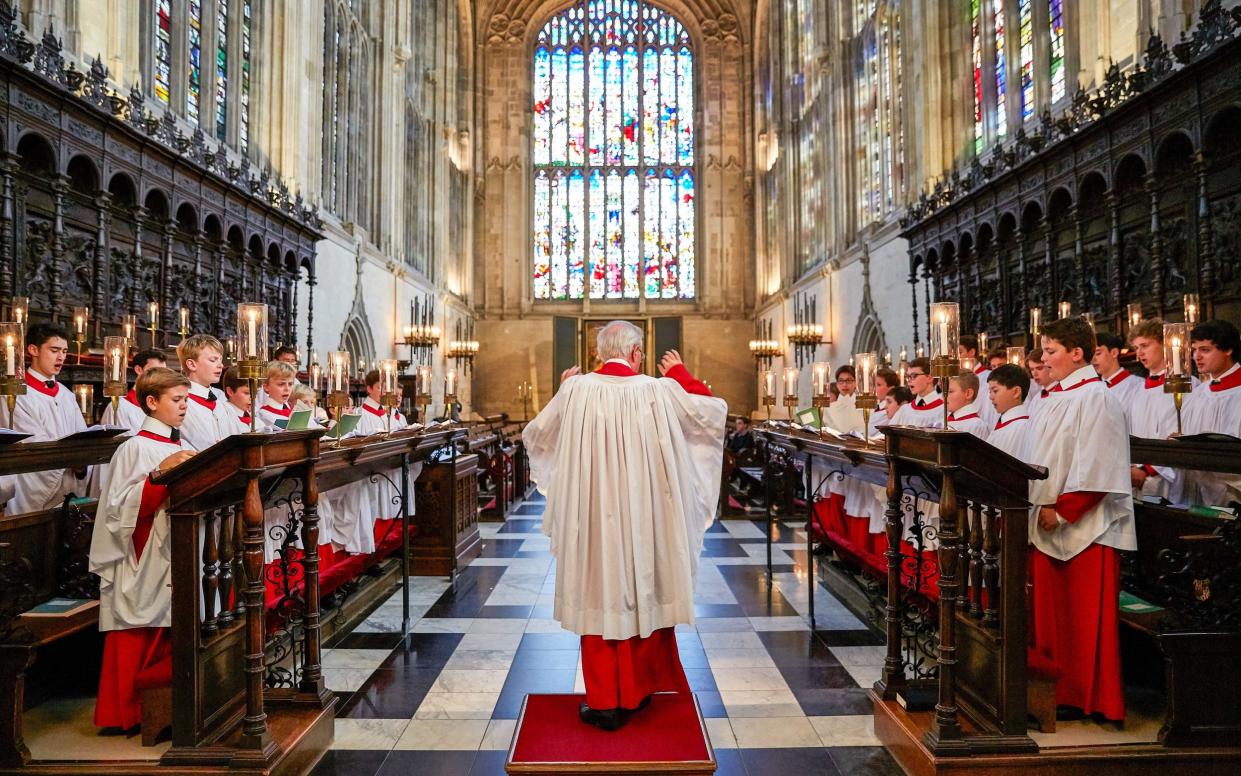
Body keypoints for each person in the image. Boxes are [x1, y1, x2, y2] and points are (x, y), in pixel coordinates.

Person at [523, 321, 726, 731]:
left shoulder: (576, 390)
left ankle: (603, 703)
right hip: (643, 519)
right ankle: (636, 694)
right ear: (636, 354)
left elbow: (537, 436)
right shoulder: (658, 390)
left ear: (599, 354)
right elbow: (711, 414)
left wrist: (564, 390)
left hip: (592, 518)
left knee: (597, 591)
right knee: (639, 587)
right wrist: (680, 374)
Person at [1027, 317, 1133, 723]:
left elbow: (1099, 463)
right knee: (1056, 616)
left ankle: (1091, 698)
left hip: (1085, 526)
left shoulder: (1096, 398)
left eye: (1051, 351)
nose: (1045, 359)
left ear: (1076, 353)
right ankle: (1059, 691)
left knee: (1084, 620)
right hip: (1048, 516)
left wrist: (1064, 507)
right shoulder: (1056, 396)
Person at [88, 367, 196, 730]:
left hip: (171, 548)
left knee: (169, 623)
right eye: (176, 400)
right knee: (137, 627)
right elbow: (119, 508)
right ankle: (124, 713)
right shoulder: (133, 447)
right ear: (151, 402)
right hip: (141, 553)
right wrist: (158, 477)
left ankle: (161, 713)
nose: (184, 407)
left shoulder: (180, 446)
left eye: (186, 400)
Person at [0, 324, 91, 514]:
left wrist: (83, 463)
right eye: (54, 350)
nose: (61, 357)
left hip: (68, 489)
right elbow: (31, 442)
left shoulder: (66, 395)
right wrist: (72, 458)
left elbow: (83, 438)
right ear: (33, 350)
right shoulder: (15, 394)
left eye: (65, 351)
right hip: (31, 487)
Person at [1174, 320, 1241, 506]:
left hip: (1232, 494)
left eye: (1205, 350)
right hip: (1198, 489)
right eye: (1194, 350)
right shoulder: (1198, 394)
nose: (1196, 357)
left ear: (1228, 350)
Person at [1127, 319, 1181, 499]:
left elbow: (1180, 433)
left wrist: (1148, 469)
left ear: (1164, 345)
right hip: (1135, 476)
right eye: (1136, 348)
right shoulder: (1137, 389)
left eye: (1145, 346)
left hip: (1168, 476)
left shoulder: (1184, 386)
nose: (1139, 353)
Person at [176, 334, 232, 450]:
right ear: (192, 364)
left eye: (220, 360)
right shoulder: (181, 403)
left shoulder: (221, 403)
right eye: (213, 360)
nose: (220, 365)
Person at [100, 349, 167, 433]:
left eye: (164, 372)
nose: (161, 376)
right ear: (138, 369)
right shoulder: (119, 408)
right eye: (155, 371)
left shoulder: (164, 405)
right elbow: (121, 444)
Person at [986, 364, 1032, 461]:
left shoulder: (1022, 427)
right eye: (990, 392)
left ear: (1016, 392)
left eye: (995, 391)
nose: (990, 397)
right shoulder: (1005, 424)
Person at [888, 357, 944, 429]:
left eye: (914, 376)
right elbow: (888, 436)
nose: (909, 381)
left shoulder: (943, 410)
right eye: (908, 376)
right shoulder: (904, 410)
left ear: (930, 378)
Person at [1092, 332, 1141, 408]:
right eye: (1091, 354)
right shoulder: (1093, 388)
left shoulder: (1137, 386)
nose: (1093, 359)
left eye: (1098, 353)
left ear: (1114, 353)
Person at [945, 371, 989, 439]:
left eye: (950, 391)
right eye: (945, 391)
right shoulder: (943, 421)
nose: (944, 396)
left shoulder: (976, 425)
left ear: (968, 394)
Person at [256, 360, 298, 431]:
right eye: (281, 384)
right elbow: (287, 426)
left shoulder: (292, 410)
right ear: (266, 386)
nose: (287, 389)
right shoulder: (263, 414)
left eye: (290, 384)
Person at [1025, 348, 1055, 419]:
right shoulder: (1036, 397)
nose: (1034, 374)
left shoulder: (1061, 394)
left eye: (1039, 368)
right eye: (1032, 369)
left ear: (1050, 366)